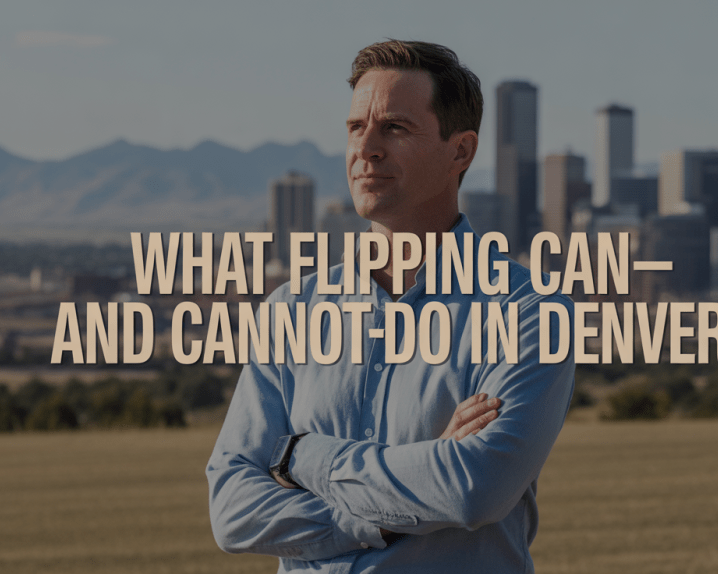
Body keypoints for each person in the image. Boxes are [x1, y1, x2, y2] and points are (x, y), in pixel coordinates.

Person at [207, 39, 575, 573]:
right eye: (357, 127)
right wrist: (387, 511)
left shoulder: (528, 312)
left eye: (395, 128)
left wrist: (301, 457)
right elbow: (232, 511)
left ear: (461, 151)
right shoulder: (292, 311)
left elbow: (472, 489)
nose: (367, 148)